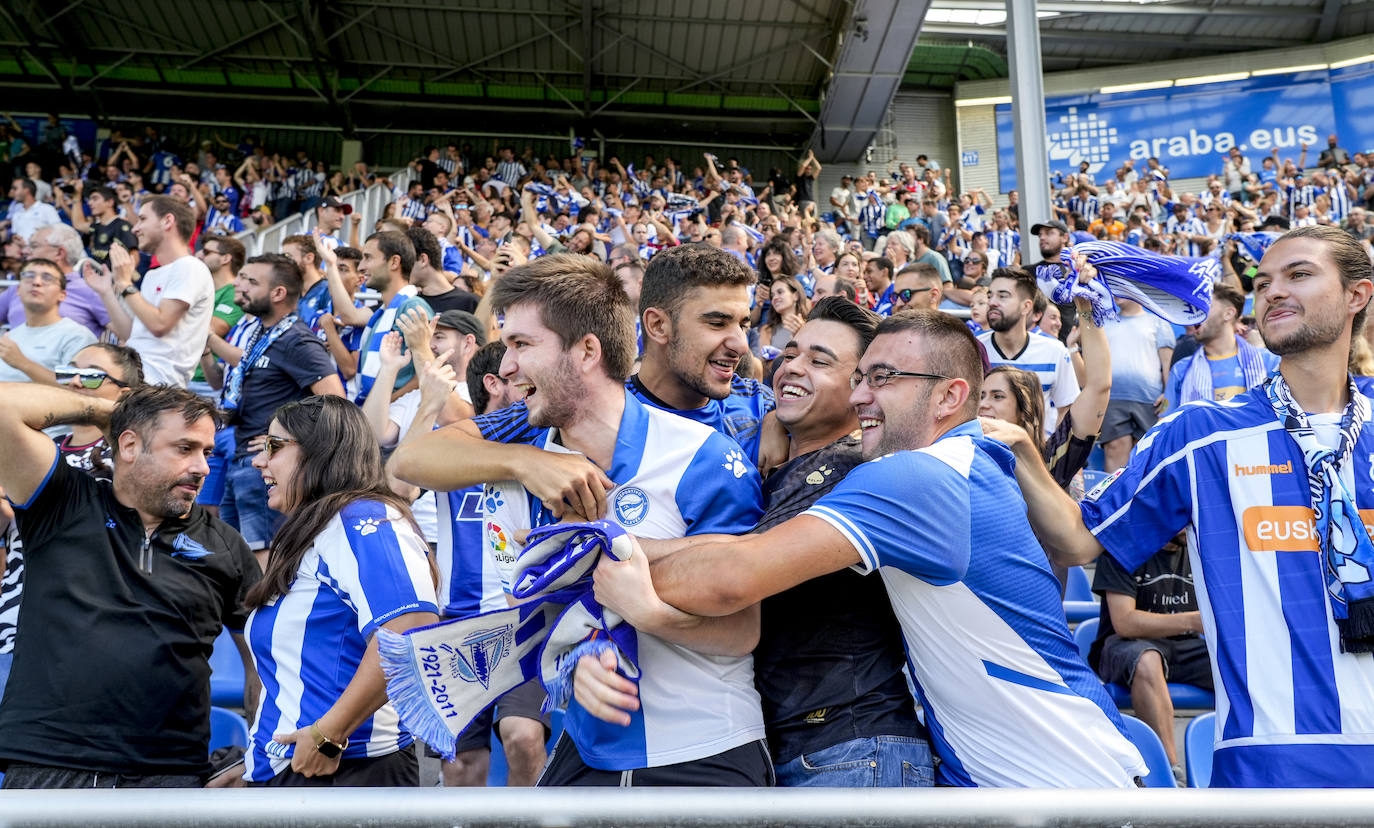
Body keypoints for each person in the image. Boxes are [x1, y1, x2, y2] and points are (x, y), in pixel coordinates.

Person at [602, 309, 1146, 787]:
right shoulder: (962, 461)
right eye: (860, 378)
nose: (860, 395)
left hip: (1063, 782)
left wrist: (600, 554)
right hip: (992, 779)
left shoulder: (919, 477)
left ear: (951, 396)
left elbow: (732, 577)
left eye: (881, 378)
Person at [1009, 225, 1374, 787]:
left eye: (1299, 274)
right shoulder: (1200, 432)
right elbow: (1078, 541)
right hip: (1269, 764)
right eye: (1264, 281)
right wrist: (1021, 456)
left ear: (1358, 294)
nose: (1273, 291)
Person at [392, 254, 771, 786]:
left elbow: (740, 631)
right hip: (588, 746)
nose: (504, 367)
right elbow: (408, 462)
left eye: (522, 345)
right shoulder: (529, 435)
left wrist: (639, 612)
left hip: (696, 752)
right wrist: (527, 462)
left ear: (587, 350)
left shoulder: (704, 457)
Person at [0, 384, 260, 788]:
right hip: (48, 765)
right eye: (185, 448)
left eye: (206, 452)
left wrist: (258, 756)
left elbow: (265, 659)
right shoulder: (64, 500)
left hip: (168, 775)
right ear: (129, 445)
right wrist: (106, 410)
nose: (203, 468)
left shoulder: (225, 544)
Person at [739, 297, 932, 786]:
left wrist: (617, 555)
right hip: (813, 745)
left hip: (852, 746)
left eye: (820, 361)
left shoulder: (852, 469)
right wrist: (772, 420)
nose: (793, 367)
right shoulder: (780, 452)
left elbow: (735, 576)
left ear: (863, 389)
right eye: (790, 354)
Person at [241, 395, 439, 786]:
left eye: (274, 447)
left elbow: (409, 627)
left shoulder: (361, 518)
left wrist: (328, 735)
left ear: (322, 453)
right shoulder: (321, 528)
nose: (258, 461)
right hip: (296, 771)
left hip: (345, 773)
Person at [216, 254, 344, 554]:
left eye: (251, 281)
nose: (239, 285)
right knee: (237, 557)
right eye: (241, 277)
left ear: (278, 293)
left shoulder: (297, 340)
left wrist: (290, 441)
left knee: (264, 558)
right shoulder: (263, 332)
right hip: (243, 457)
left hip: (265, 466)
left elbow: (335, 401)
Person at [1089, 534, 1209, 784]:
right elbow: (1124, 623)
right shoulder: (1121, 547)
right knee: (1147, 659)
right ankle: (1169, 774)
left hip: (1186, 647)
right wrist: (1192, 620)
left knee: (1240, 664)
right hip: (1124, 646)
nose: (1190, 524)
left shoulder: (1202, 550)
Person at [84, 195, 215, 387]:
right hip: (136, 375)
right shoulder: (153, 276)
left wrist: (124, 284)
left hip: (158, 385)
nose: (135, 228)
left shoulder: (191, 267)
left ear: (167, 221)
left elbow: (160, 325)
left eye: (143, 219)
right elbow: (131, 335)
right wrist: (107, 292)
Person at [979, 268, 1079, 438]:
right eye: (990, 296)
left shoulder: (1054, 351)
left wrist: (1053, 455)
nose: (992, 302)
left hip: (1037, 456)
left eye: (1003, 296)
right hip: (983, 454)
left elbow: (1066, 410)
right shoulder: (974, 349)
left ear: (1026, 307)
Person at [1165, 283, 1279, 412]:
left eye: (1204, 306)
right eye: (1194, 307)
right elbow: (1167, 422)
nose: (1195, 313)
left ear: (1228, 314)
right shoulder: (1181, 370)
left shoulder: (1270, 362)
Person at [1098, 298, 1175, 471]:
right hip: (1112, 398)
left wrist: (1168, 393)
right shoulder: (1104, 322)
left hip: (1150, 400)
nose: (1117, 292)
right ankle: (1114, 497)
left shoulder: (1157, 322)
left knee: (1146, 453)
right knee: (1115, 447)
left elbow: (1167, 363)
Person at [0, 258, 96, 384]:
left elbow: (79, 390)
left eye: (47, 278)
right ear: (18, 290)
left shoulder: (77, 336)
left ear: (62, 295)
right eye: (29, 276)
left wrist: (22, 363)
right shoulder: (11, 337)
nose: (36, 282)